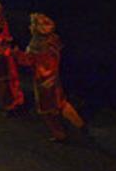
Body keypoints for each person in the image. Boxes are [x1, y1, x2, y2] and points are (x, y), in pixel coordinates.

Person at [15, 13, 85, 142]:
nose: (30, 27)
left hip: (43, 82)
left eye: (33, 25)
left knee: (46, 110)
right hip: (54, 78)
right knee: (61, 103)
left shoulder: (36, 45)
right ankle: (79, 124)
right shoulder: (53, 39)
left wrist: (16, 53)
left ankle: (59, 134)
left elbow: (27, 61)